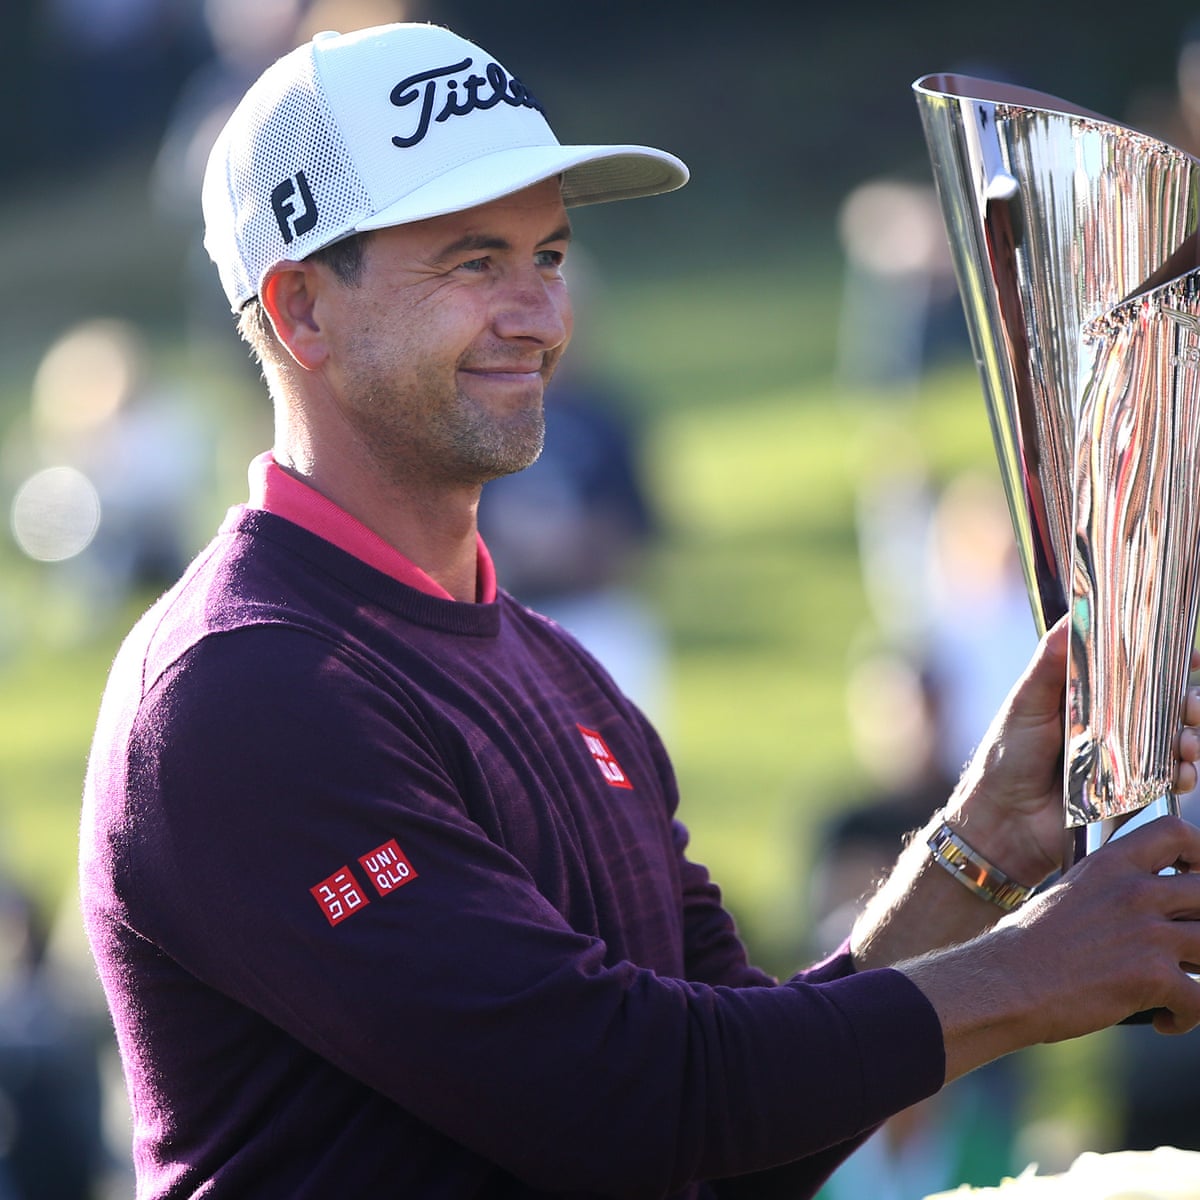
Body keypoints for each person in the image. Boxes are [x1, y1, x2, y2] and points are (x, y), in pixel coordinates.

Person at [79, 21, 1200, 1200]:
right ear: (301, 309)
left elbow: (735, 1129)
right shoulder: (241, 693)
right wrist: (1033, 971)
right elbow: (625, 1098)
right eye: (472, 263)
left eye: (549, 256)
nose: (539, 316)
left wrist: (979, 854)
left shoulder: (560, 671)